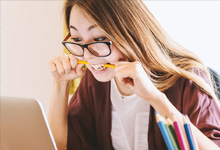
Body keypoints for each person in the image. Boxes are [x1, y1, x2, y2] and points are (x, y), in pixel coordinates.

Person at [48, 0, 220, 149]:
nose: (87, 55)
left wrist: (154, 97)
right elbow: (61, 146)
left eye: (99, 39)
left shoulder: (186, 79)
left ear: (129, 32)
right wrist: (60, 83)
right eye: (77, 39)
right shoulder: (95, 81)